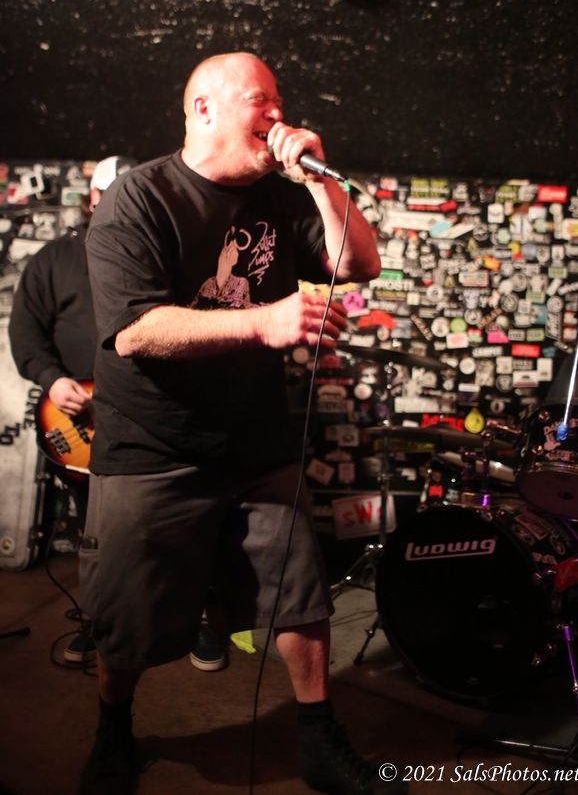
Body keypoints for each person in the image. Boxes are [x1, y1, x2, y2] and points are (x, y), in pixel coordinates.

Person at [79, 52, 406, 795]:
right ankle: (112, 732)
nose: (278, 113)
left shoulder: (282, 197)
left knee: (300, 598)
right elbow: (135, 332)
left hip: (256, 445)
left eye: (279, 100)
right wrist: (265, 322)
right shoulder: (138, 198)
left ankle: (319, 740)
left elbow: (360, 264)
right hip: (151, 446)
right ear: (204, 108)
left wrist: (319, 179)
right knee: (127, 618)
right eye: (263, 99)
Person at [8, 155, 136, 662]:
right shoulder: (55, 259)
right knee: (95, 532)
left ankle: (184, 622)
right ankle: (100, 623)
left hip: (145, 421)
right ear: (92, 198)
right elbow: (26, 331)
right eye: (111, 195)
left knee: (164, 524)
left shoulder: (157, 256)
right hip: (80, 421)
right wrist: (52, 379)